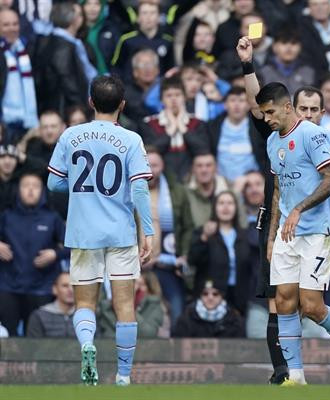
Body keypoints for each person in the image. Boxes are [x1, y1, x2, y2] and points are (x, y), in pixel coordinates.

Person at [255, 81, 330, 386]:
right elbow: (278, 190)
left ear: (286, 107)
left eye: (270, 112)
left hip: (317, 231)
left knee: (311, 306)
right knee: (283, 300)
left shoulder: (314, 134)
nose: (266, 118)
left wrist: (299, 209)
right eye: (263, 112)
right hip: (286, 232)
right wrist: (272, 234)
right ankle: (296, 376)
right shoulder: (272, 142)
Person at [46, 75, 154, 386]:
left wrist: (80, 192)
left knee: (84, 304)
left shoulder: (71, 135)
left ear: (91, 102)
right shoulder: (132, 140)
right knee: (123, 305)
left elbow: (54, 183)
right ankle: (123, 376)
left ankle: (88, 345)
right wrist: (147, 232)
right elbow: (140, 191)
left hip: (83, 233)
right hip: (120, 233)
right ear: (123, 104)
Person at [0, 173, 69, 336]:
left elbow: (73, 245)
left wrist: (55, 253)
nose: (31, 190)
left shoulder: (52, 218)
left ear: (42, 191)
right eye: (26, 185)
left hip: (42, 288)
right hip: (9, 287)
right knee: (9, 338)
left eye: (35, 186)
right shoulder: (7, 216)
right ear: (18, 190)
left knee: (39, 340)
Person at [144, 148, 193, 323]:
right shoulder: (128, 191)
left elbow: (188, 227)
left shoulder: (177, 192)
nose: (150, 170)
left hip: (166, 262)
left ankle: (176, 348)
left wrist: (184, 253)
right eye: (146, 165)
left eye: (154, 165)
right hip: (135, 265)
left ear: (162, 166)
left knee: (177, 309)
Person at [188, 191, 254, 316]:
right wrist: (204, 238)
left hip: (240, 297)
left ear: (236, 208)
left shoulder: (245, 235)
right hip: (211, 297)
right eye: (221, 203)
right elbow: (192, 260)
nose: (226, 207)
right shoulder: (203, 232)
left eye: (230, 203)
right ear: (214, 208)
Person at [32, 1, 91, 115]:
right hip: (65, 108)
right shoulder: (62, 45)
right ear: (73, 20)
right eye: (79, 15)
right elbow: (65, 76)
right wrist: (79, 105)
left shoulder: (52, 41)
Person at [141, 76, 205, 181]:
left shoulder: (197, 123)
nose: (174, 99)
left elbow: (203, 151)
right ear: (161, 100)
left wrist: (182, 128)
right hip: (161, 181)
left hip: (192, 181)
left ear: (185, 97)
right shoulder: (149, 123)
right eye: (169, 96)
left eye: (178, 95)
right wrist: (170, 131)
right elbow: (151, 153)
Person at [0, 8, 38, 143]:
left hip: (28, 123)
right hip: (4, 124)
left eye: (15, 24)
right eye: (6, 24)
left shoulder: (26, 49)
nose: (12, 28)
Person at [111, 1, 174, 79]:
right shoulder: (127, 40)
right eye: (144, 13)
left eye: (152, 13)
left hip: (158, 88)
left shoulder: (167, 41)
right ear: (138, 18)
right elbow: (116, 67)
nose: (148, 17)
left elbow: (171, 69)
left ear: (159, 17)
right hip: (130, 88)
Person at [98, 271, 168, 338]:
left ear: (151, 288)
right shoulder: (107, 307)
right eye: (134, 283)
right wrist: (119, 303)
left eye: (142, 285)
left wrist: (129, 308)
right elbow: (107, 334)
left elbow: (148, 334)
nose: (136, 288)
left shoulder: (154, 305)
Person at [172, 279, 245, 338]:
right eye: (205, 294)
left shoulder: (234, 320)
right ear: (200, 296)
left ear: (222, 296)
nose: (210, 298)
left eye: (215, 294)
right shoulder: (186, 319)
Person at [259, 28, 315, 95]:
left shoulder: (308, 72)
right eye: (284, 43)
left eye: (293, 43)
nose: (289, 48)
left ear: (300, 47)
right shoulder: (263, 72)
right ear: (274, 47)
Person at [186, 152, 229, 228]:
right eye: (199, 166)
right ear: (193, 169)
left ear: (216, 168)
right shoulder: (184, 193)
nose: (204, 170)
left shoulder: (229, 191)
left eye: (208, 165)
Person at [26, 272, 76, 338]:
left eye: (74, 286)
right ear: (54, 289)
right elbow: (33, 345)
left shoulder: (88, 315)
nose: (70, 290)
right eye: (65, 286)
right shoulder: (39, 316)